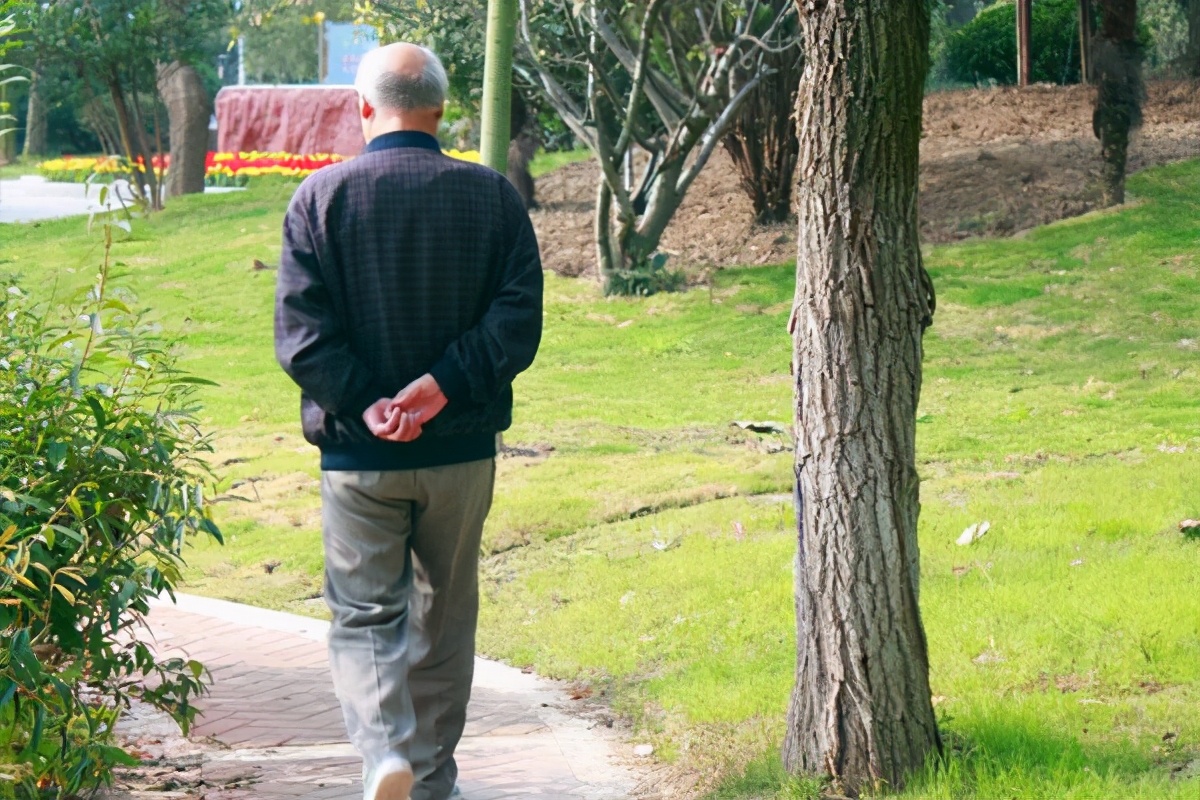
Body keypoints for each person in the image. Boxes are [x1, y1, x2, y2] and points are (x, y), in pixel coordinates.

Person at [274, 43, 543, 800]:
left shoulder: (319, 200)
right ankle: (427, 781)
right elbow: (516, 322)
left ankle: (386, 751)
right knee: (445, 618)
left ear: (364, 108)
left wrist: (367, 402)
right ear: (441, 109)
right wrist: (443, 386)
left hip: (358, 458)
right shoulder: (493, 198)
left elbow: (301, 334)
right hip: (461, 451)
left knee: (364, 617)